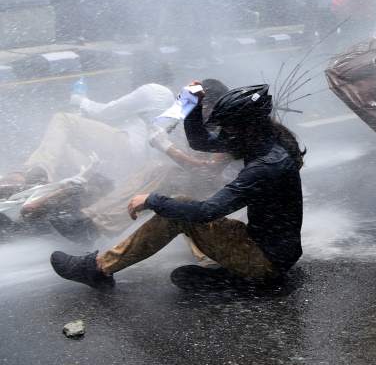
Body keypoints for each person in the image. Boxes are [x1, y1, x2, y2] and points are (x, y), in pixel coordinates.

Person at [50, 83, 306, 290]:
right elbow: (200, 141)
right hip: (266, 251)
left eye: (228, 128)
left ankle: (97, 268)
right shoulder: (260, 140)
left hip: (265, 260)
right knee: (182, 202)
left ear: (248, 127)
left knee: (178, 214)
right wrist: (192, 107)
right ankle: (231, 275)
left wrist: (152, 200)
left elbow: (207, 212)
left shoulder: (266, 166)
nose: (224, 134)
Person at [0, 52, 175, 196]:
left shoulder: (154, 90)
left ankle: (34, 175)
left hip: (129, 145)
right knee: (61, 146)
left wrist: (82, 101)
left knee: (63, 119)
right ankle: (40, 184)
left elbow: (108, 111)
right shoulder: (170, 98)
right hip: (136, 160)